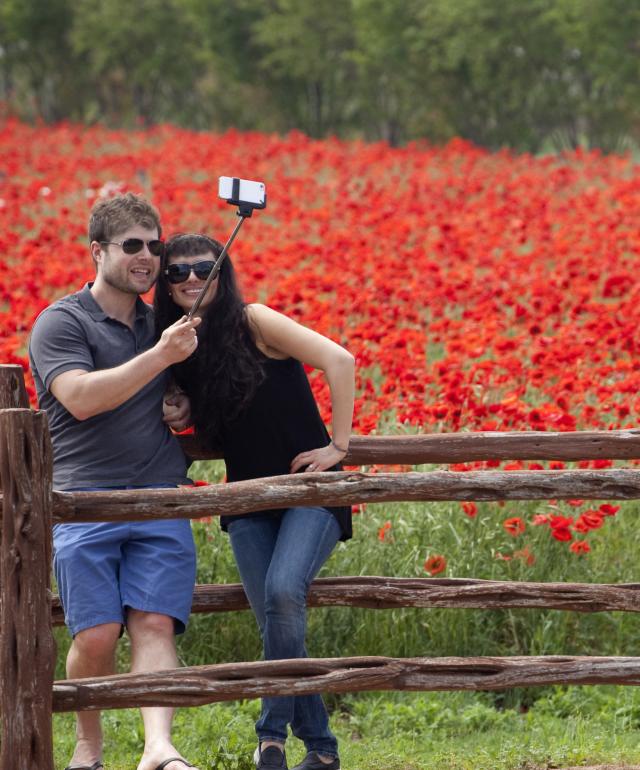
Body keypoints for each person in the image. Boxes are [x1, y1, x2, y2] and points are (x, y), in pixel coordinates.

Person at [154, 233, 355, 770]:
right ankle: (322, 748)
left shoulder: (255, 320)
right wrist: (180, 404)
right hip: (246, 498)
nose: (192, 278)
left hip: (308, 491)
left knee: (284, 592)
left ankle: (269, 738)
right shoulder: (183, 345)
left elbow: (339, 359)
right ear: (165, 285)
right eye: (178, 272)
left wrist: (338, 446)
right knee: (276, 622)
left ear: (223, 270)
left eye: (204, 267)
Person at [29, 194, 202, 770]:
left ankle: (157, 748)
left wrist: (181, 401)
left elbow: (181, 384)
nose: (148, 256)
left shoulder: (163, 323)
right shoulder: (62, 322)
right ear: (97, 250)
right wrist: (159, 360)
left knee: (155, 623)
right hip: (85, 498)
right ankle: (89, 744)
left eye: (155, 245)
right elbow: (79, 398)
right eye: (132, 245)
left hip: (158, 492)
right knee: (97, 633)